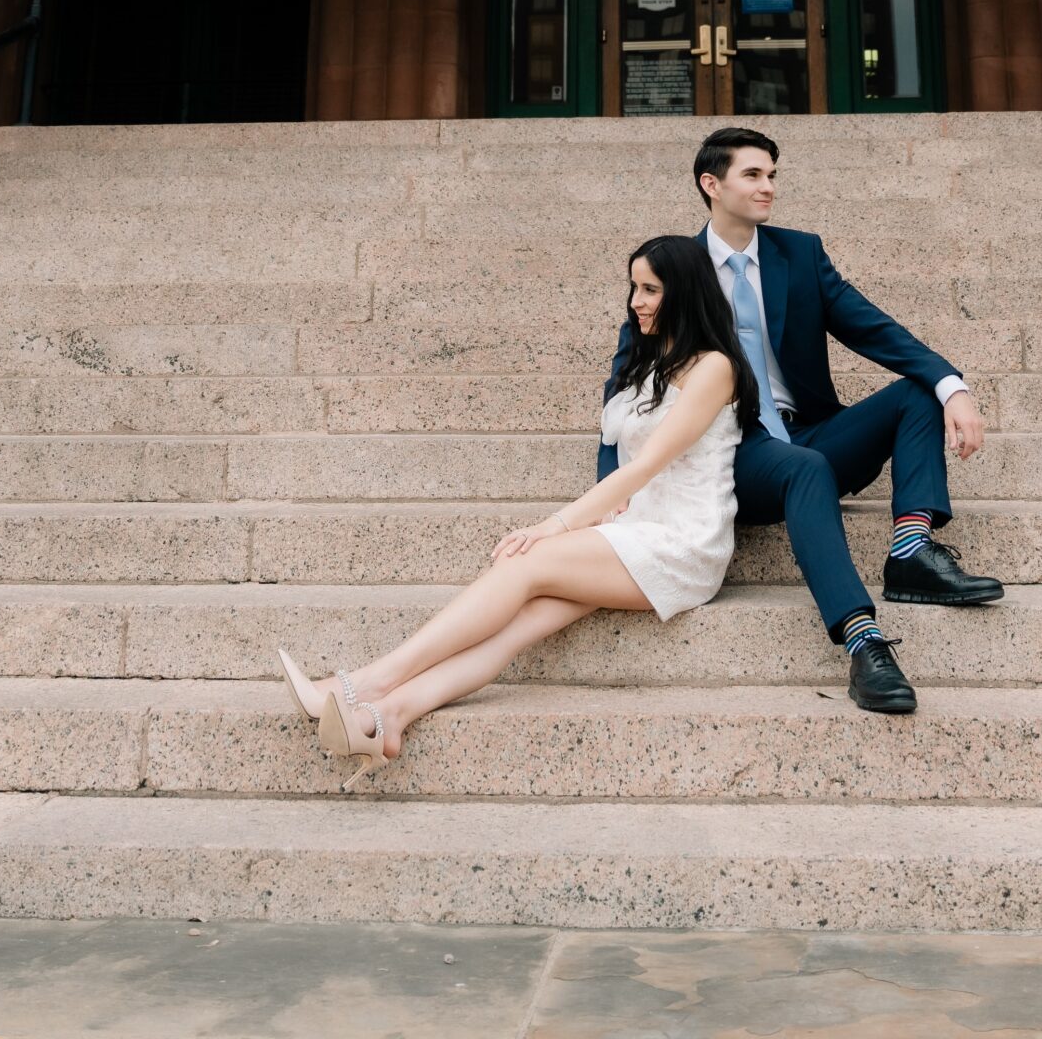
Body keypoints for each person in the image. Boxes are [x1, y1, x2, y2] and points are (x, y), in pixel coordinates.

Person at [277, 233, 761, 765]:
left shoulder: (714, 366)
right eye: (633, 288)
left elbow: (649, 465)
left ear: (685, 293)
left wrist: (557, 526)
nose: (636, 302)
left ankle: (360, 684)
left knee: (525, 562)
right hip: (638, 530)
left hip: (684, 543)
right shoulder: (651, 365)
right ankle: (386, 718)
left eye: (650, 289)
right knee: (517, 627)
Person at [596, 125, 1004, 720]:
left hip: (806, 432)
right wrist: (614, 488)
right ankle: (864, 642)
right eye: (753, 175)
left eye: (773, 175)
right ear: (711, 185)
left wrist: (953, 386)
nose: (769, 188)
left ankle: (912, 550)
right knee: (804, 468)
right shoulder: (672, 270)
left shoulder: (800, 253)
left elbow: (873, 328)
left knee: (917, 393)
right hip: (733, 451)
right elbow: (622, 391)